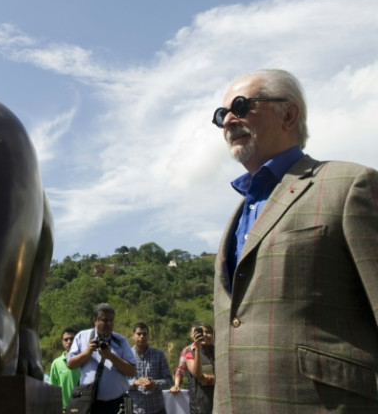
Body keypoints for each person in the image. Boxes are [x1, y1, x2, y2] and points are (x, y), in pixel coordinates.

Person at [212, 69, 378, 412]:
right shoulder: (239, 214)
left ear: (288, 114)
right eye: (220, 114)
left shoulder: (350, 185)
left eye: (240, 106)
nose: (228, 121)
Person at [67, 303, 137, 414]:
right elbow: (70, 364)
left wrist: (110, 356)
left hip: (116, 404)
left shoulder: (120, 341)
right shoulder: (82, 336)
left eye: (111, 320)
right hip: (89, 402)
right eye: (104, 320)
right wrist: (88, 352)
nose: (108, 324)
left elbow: (132, 371)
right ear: (95, 320)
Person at [128, 322, 172, 414]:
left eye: (144, 334)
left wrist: (155, 384)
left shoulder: (159, 355)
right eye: (139, 334)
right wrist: (135, 383)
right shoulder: (127, 356)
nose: (142, 337)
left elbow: (169, 381)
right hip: (135, 409)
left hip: (156, 409)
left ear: (148, 336)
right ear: (133, 336)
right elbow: (120, 383)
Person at [48, 327, 81, 412]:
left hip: (83, 408)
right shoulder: (56, 363)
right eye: (66, 339)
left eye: (72, 339)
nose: (69, 342)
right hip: (64, 410)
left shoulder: (84, 360)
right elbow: (52, 389)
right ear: (62, 342)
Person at [184, 324, 214, 414]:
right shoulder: (190, 353)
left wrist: (209, 379)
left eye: (208, 332)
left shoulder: (218, 351)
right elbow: (197, 375)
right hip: (200, 401)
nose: (204, 335)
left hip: (218, 399)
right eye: (202, 332)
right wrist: (197, 348)